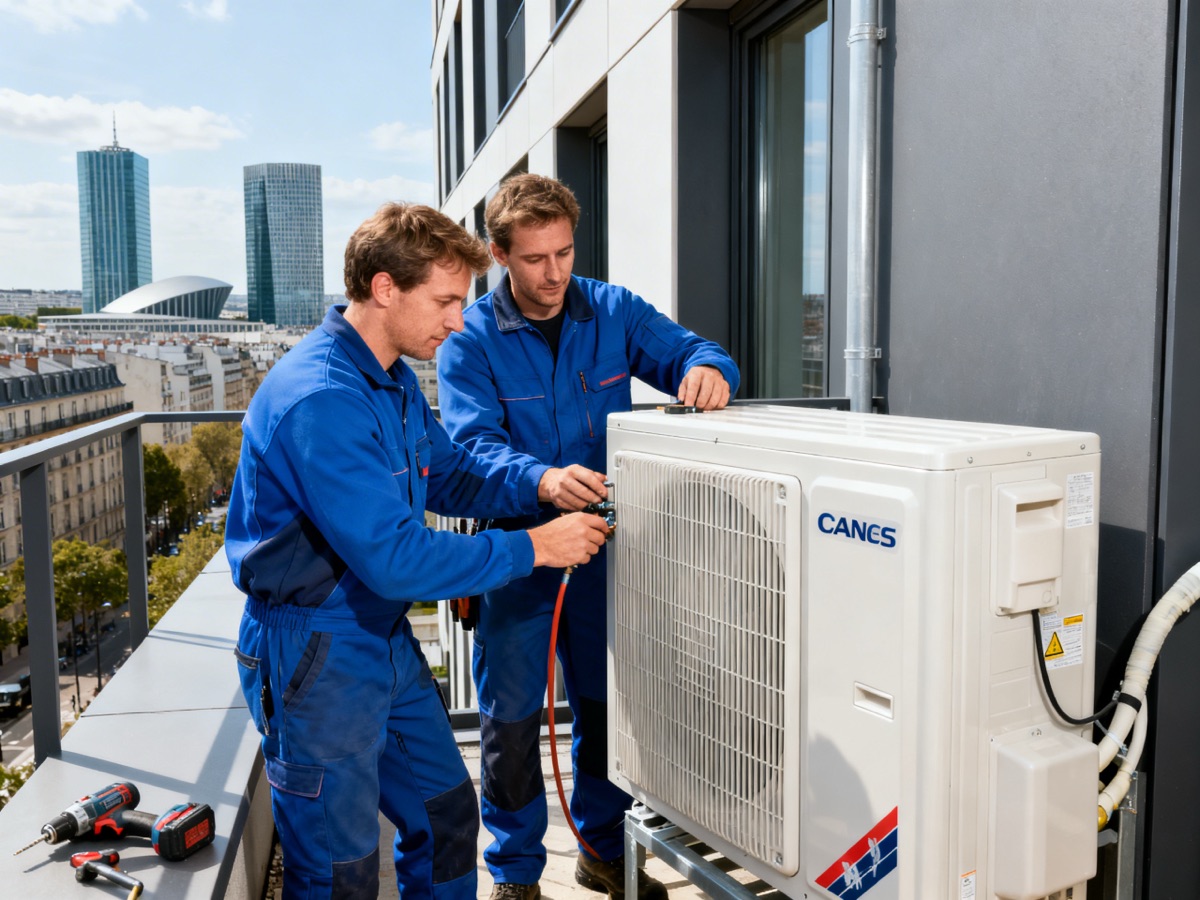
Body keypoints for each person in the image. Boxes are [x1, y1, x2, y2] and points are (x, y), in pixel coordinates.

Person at [226, 202, 612, 900]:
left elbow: (456, 474)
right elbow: (397, 560)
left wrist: (543, 483)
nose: (459, 321)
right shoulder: (322, 399)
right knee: (336, 872)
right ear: (383, 289)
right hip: (315, 652)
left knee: (445, 815)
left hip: (376, 634)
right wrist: (535, 547)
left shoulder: (391, 378)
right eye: (444, 301)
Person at [437, 174, 740, 900]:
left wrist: (706, 369)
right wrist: (541, 481)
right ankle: (514, 874)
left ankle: (602, 851)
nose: (554, 275)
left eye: (565, 254)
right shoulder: (468, 341)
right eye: (535, 259)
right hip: (518, 554)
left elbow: (693, 349)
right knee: (512, 723)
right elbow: (470, 448)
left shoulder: (611, 310)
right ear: (500, 253)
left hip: (604, 548)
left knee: (606, 710)